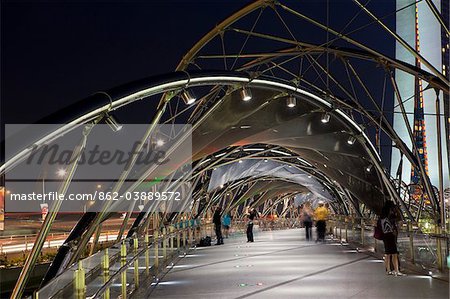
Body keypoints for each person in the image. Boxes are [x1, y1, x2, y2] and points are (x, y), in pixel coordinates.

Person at [380, 202, 404, 276]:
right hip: (390, 235)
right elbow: (399, 220)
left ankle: (388, 270)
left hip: (385, 235)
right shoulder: (391, 216)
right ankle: (396, 270)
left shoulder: (382, 216)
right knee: (394, 253)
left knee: (387, 253)